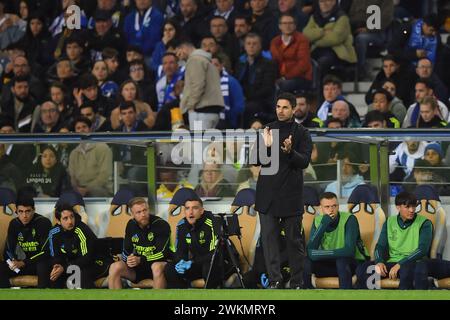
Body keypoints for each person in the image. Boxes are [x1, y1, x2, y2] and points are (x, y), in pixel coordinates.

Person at [253, 92, 312, 289]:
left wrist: (289, 152)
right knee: (269, 242)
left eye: (285, 107)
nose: (280, 110)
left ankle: (296, 282)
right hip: (267, 195)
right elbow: (256, 160)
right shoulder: (267, 129)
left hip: (291, 196)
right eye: (278, 106)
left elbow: (304, 161)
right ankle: (275, 280)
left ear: (294, 109)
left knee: (294, 242)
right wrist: (268, 147)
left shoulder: (302, 133)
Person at [359, 191, 432, 289]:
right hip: (392, 263)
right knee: (364, 269)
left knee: (407, 271)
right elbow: (380, 246)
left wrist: (400, 264)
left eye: (414, 206)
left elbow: (422, 249)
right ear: (398, 207)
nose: (412, 210)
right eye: (407, 207)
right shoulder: (389, 221)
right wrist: (379, 262)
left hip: (413, 263)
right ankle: (374, 296)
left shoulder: (425, 223)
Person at [304, 192, 369, 289]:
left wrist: (318, 254)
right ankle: (306, 293)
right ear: (320, 208)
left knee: (341, 261)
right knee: (305, 261)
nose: (331, 210)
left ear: (338, 206)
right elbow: (310, 250)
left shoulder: (349, 219)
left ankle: (345, 294)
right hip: (330, 263)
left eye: (334, 206)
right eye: (327, 207)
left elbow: (349, 251)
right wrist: (323, 225)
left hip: (352, 263)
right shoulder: (318, 221)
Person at [108, 197, 172, 289]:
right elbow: (126, 250)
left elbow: (162, 253)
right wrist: (129, 260)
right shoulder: (131, 224)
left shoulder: (161, 225)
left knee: (156, 267)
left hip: (157, 267)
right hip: (138, 269)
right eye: (138, 212)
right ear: (132, 214)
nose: (143, 214)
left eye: (145, 210)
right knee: (115, 267)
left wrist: (140, 260)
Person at [48, 204, 111, 288]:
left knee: (80, 275)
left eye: (72, 217)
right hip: (73, 264)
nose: (70, 221)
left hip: (97, 262)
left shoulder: (81, 230)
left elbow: (86, 258)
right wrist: (57, 265)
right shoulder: (53, 233)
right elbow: (54, 255)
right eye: (65, 218)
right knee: (52, 276)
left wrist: (64, 267)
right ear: (58, 221)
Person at [165, 197, 223, 288]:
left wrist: (192, 262)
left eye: (195, 208)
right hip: (195, 265)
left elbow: (214, 254)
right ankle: (181, 295)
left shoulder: (212, 223)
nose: (191, 212)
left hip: (216, 264)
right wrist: (180, 262)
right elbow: (179, 251)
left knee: (208, 267)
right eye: (187, 208)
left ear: (202, 211)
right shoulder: (182, 225)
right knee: (170, 268)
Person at [0, 196, 52, 288]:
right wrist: (12, 262)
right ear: (16, 211)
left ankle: (43, 295)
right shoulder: (14, 224)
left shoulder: (43, 222)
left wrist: (24, 262)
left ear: (33, 210)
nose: (24, 216)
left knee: (42, 265)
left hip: (38, 263)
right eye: (21, 211)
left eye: (28, 211)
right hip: (23, 264)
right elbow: (7, 250)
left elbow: (46, 252)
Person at [68, 117, 113, 197]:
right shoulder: (73, 153)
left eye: (84, 127)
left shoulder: (102, 148)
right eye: (78, 128)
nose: (81, 130)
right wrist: (77, 189)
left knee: (93, 193)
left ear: (91, 129)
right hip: (79, 189)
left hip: (101, 189)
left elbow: (105, 175)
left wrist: (87, 189)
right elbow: (72, 176)